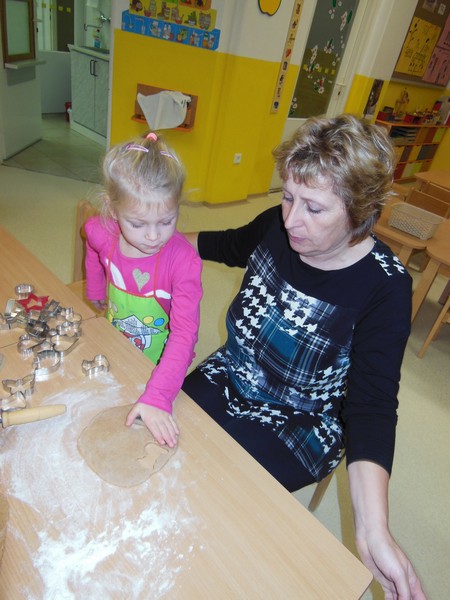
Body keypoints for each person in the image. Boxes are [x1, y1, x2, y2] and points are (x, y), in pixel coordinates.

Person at [182, 114, 426, 598]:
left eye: (314, 208)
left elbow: (372, 406)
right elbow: (226, 244)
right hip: (232, 372)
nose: (292, 219)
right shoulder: (278, 225)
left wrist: (373, 527)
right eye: (288, 196)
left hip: (302, 420)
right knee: (161, 434)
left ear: (360, 211)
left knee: (215, 498)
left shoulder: (385, 286)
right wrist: (154, 241)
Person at [85, 131, 202, 447]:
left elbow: (184, 335)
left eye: (167, 221)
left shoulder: (183, 262)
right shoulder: (101, 231)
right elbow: (90, 242)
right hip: (116, 340)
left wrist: (159, 396)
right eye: (138, 224)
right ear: (112, 209)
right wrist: (95, 289)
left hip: (161, 362)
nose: (153, 236)